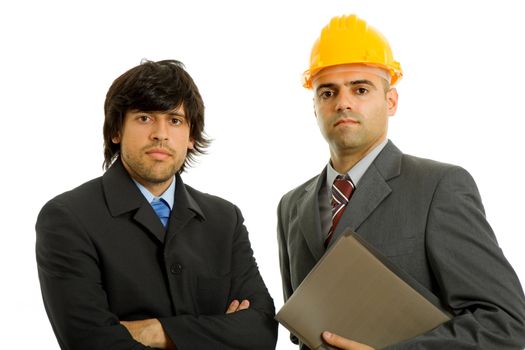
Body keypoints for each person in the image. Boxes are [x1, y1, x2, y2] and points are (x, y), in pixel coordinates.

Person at [277, 14, 525, 350]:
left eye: (360, 89)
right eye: (327, 92)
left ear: (390, 101)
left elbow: (506, 323)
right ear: (315, 107)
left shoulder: (439, 187)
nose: (343, 102)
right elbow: (302, 329)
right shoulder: (291, 206)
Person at [36, 59, 277, 350]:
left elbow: (261, 331)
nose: (160, 134)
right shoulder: (68, 218)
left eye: (175, 120)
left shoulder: (225, 219)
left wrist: (155, 331)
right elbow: (90, 342)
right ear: (116, 131)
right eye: (145, 118)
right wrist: (219, 333)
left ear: (190, 137)